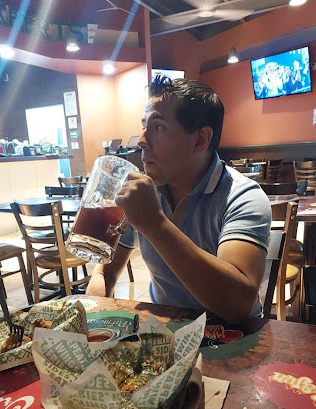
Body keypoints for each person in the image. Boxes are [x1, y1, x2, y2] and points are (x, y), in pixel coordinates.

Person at [86, 75, 271, 324]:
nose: (141, 141)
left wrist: (155, 224)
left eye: (158, 127)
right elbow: (106, 272)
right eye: (144, 126)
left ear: (200, 140)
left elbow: (237, 305)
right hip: (165, 330)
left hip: (231, 335)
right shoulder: (140, 194)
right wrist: (92, 316)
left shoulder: (243, 197)